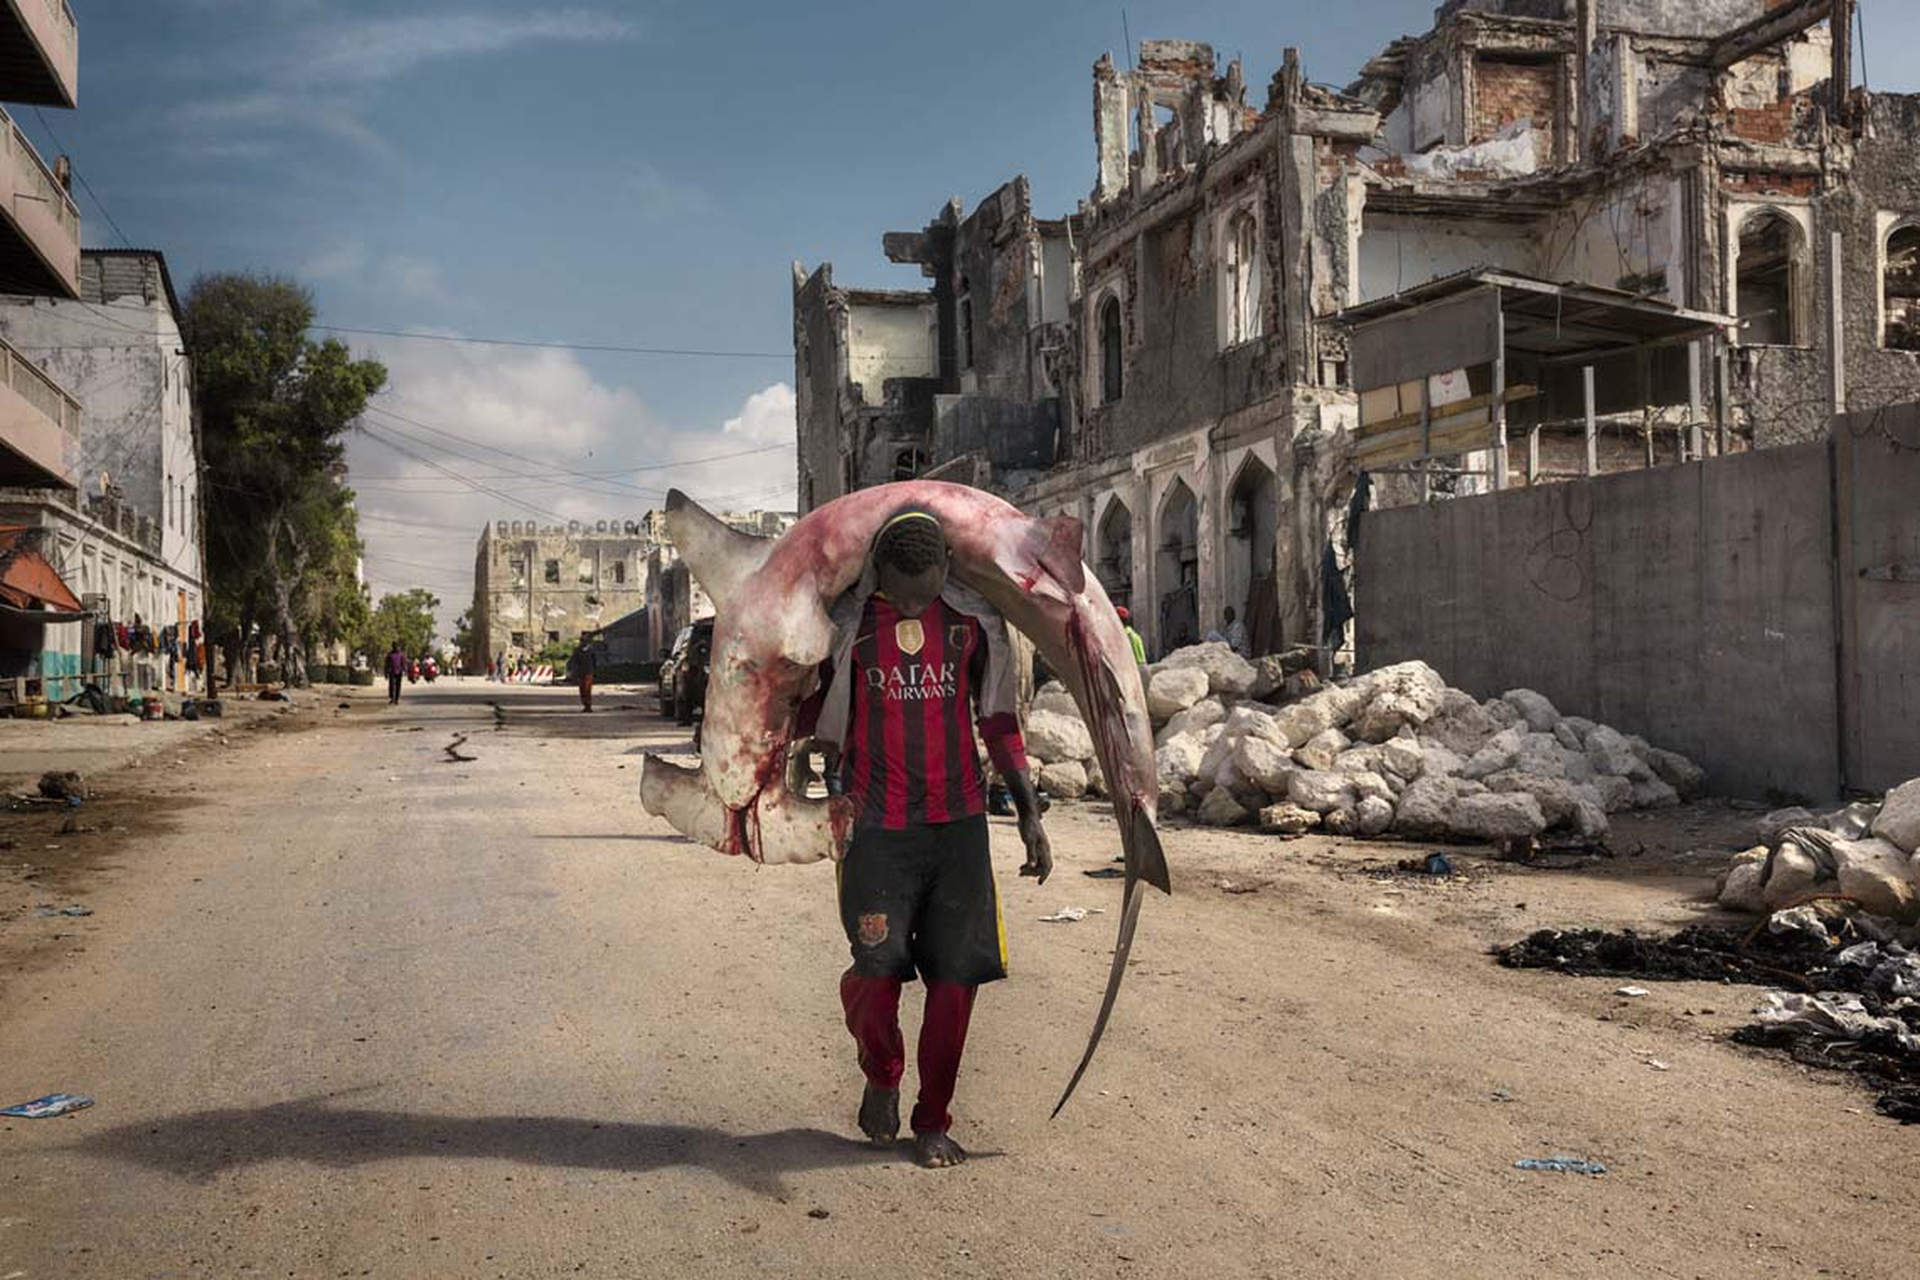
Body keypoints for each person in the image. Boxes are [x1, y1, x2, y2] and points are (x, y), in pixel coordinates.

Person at [806, 507, 1051, 1170]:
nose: (916, 603)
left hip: (959, 828)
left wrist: (1027, 813)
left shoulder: (973, 624)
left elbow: (998, 721)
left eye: (928, 588)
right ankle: (882, 1070)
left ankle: (933, 1118)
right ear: (879, 572)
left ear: (946, 570)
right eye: (903, 591)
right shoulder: (846, 630)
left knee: (955, 981)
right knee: (874, 975)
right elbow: (804, 704)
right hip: (874, 829)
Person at [571, 638, 598, 713]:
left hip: (589, 672)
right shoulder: (577, 651)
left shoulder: (591, 651)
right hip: (580, 672)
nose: (583, 643)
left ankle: (588, 705)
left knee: (587, 689)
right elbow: (574, 662)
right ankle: (585, 705)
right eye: (582, 641)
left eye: (585, 642)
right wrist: (574, 672)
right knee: (582, 689)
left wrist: (595, 672)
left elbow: (594, 662)